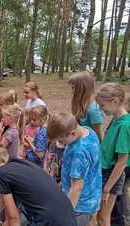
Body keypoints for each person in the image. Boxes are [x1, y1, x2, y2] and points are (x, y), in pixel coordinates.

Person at [0, 142, 77, 226]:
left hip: (49, 221)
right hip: (67, 216)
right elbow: (15, 209)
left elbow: (13, 218)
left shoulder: (0, 173)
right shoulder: (19, 164)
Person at [47, 112, 102, 226]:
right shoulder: (88, 131)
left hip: (79, 206)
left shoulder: (79, 153)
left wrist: (66, 213)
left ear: (72, 133)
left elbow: (77, 187)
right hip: (90, 197)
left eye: (61, 141)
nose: (60, 145)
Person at [95, 83, 130, 226]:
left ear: (115, 102)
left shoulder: (124, 125)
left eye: (102, 106)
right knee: (100, 216)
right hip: (104, 171)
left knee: (104, 218)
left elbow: (122, 161)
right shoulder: (116, 120)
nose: (101, 110)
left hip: (111, 175)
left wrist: (107, 188)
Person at [69, 71, 104, 141]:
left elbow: (99, 135)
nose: (71, 91)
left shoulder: (93, 110)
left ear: (82, 88)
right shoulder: (82, 104)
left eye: (73, 88)